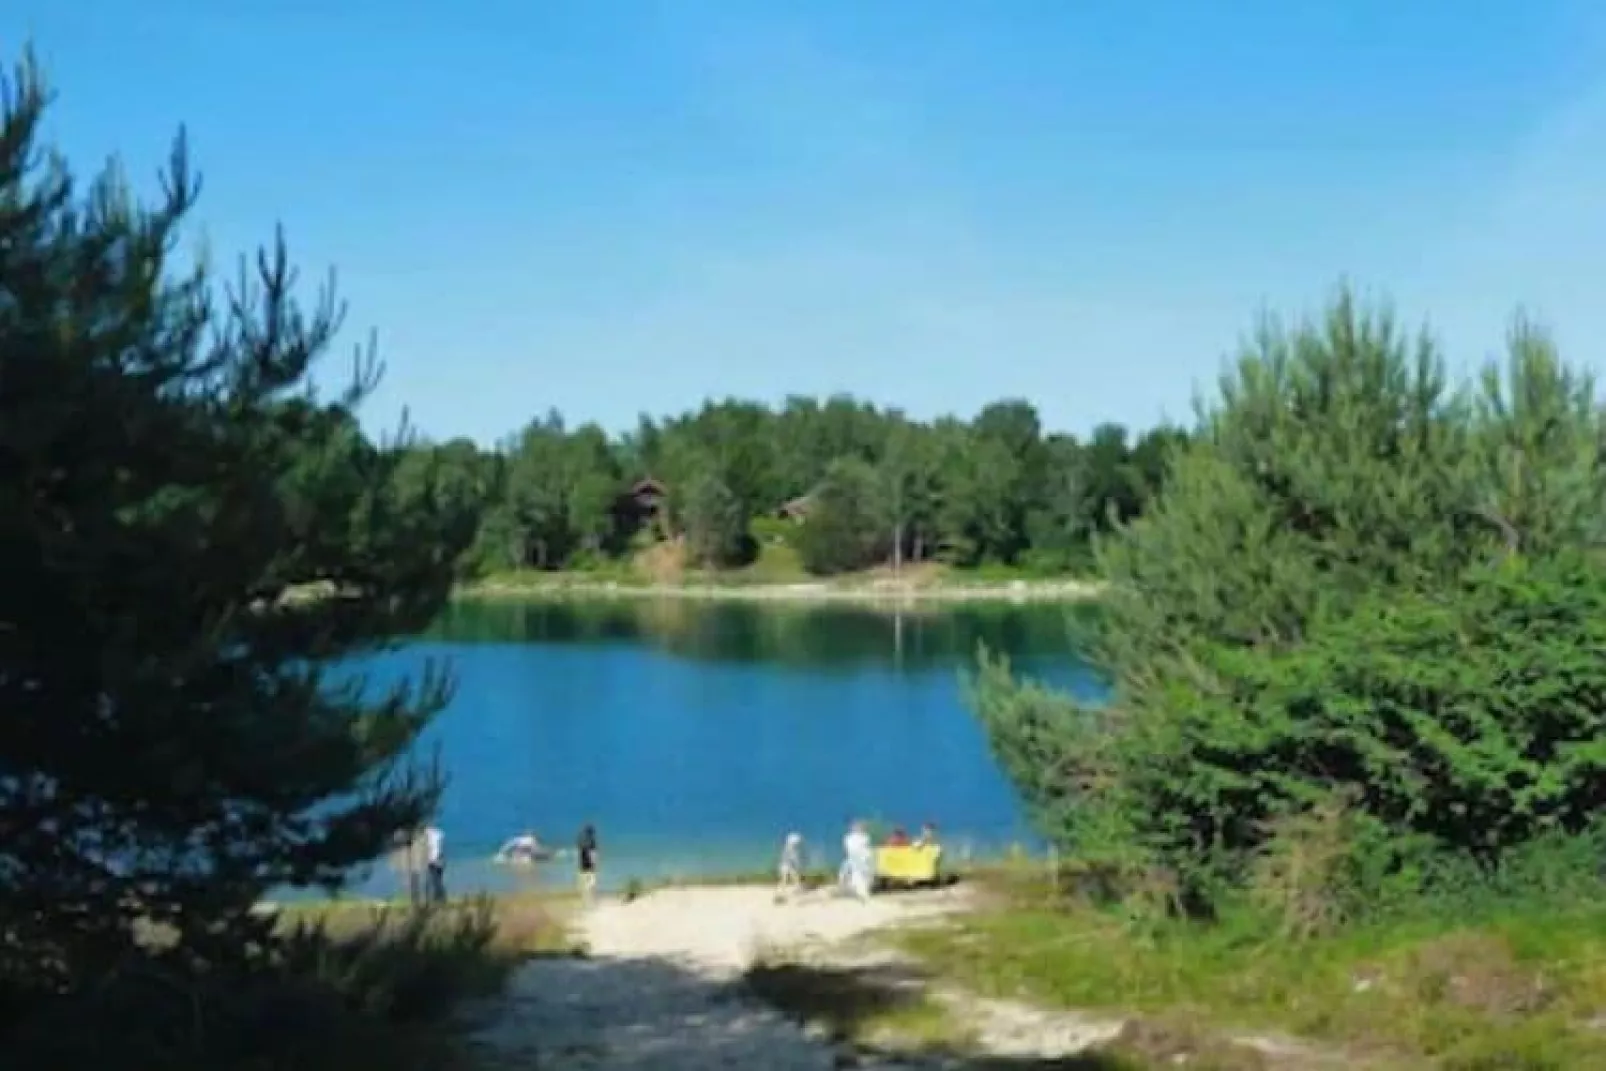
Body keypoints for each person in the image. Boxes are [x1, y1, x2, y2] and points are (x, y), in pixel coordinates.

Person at [842, 820, 873, 903]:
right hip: (857, 860)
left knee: (864, 877)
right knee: (857, 877)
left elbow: (866, 848)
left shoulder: (864, 837)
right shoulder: (850, 838)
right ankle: (862, 894)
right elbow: (849, 850)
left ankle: (862, 893)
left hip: (862, 860)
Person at [776, 831, 803, 901]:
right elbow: (793, 858)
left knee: (793, 878)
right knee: (785, 880)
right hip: (786, 865)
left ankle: (796, 890)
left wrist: (796, 863)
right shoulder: (790, 848)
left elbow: (791, 858)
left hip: (786, 865)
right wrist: (797, 864)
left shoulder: (787, 847)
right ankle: (780, 894)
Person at [424, 824, 446, 905]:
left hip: (434, 860)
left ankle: (437, 898)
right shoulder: (440, 834)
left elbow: (434, 850)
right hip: (440, 860)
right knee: (438, 880)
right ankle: (439, 898)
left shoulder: (431, 836)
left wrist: (431, 860)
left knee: (434, 880)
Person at [576, 823, 599, 901]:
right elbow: (593, 855)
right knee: (592, 883)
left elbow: (579, 853)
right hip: (590, 866)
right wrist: (594, 865)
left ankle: (585, 899)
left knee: (584, 884)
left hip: (582, 866)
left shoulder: (581, 842)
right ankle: (591, 899)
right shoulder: (592, 842)